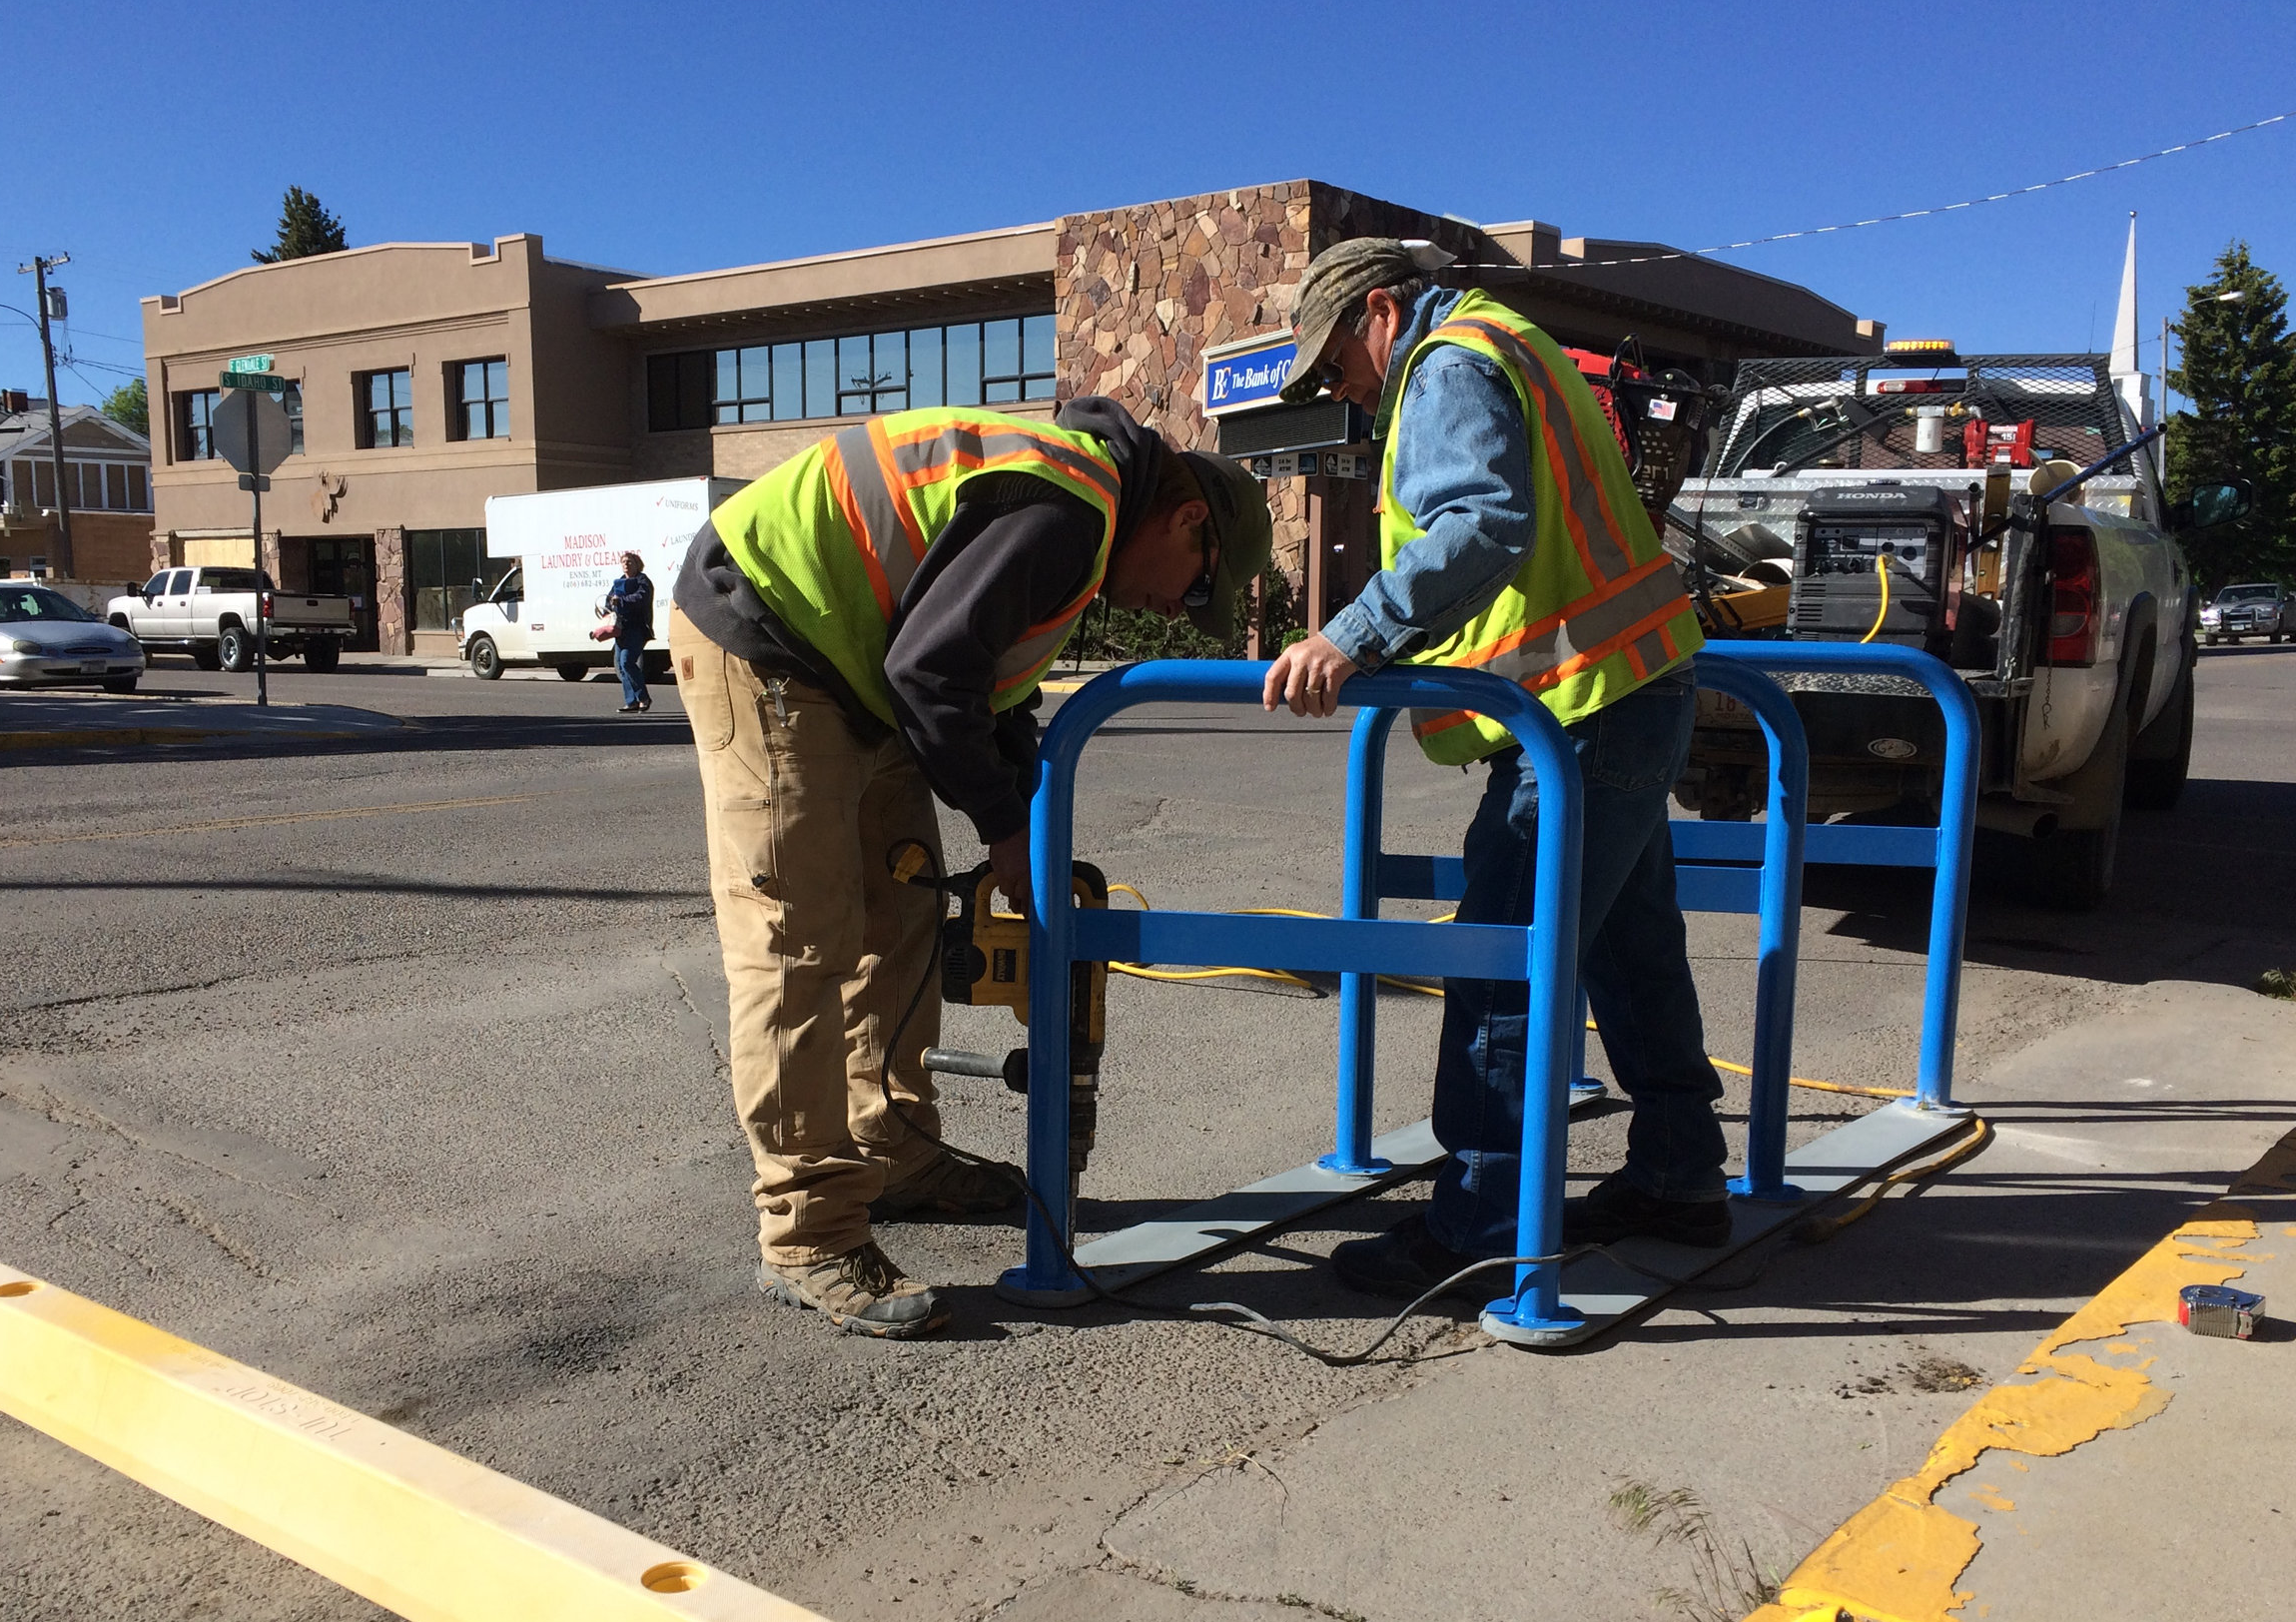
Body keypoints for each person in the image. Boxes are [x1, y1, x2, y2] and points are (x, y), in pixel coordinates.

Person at [674, 400, 1271, 1337]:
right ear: (1188, 519)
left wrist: (1021, 813)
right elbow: (931, 669)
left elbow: (990, 683)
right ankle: (808, 1229)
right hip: (771, 630)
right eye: (1196, 590)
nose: (1174, 612)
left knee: (901, 916)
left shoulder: (1089, 512)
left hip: (855, 662)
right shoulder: (1069, 508)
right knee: (800, 940)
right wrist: (1003, 826)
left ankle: (895, 1149)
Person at [1257, 238, 1730, 1295]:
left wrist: (1353, 634)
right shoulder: (1513, 342)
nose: (1346, 392)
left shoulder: (1448, 363)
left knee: (1500, 961)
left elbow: (1482, 524)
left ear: (1380, 311)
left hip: (1582, 704)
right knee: (1630, 952)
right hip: (1627, 684)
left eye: (1338, 364)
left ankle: (1477, 1224)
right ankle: (1678, 1173)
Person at [597, 551, 655, 713]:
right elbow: (609, 600)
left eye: (630, 562)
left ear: (637, 564)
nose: (626, 565)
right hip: (620, 630)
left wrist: (622, 600)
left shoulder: (642, 581)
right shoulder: (619, 582)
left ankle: (643, 698)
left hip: (636, 629)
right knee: (622, 667)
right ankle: (631, 702)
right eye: (623, 562)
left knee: (627, 662)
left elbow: (641, 597)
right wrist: (606, 611)